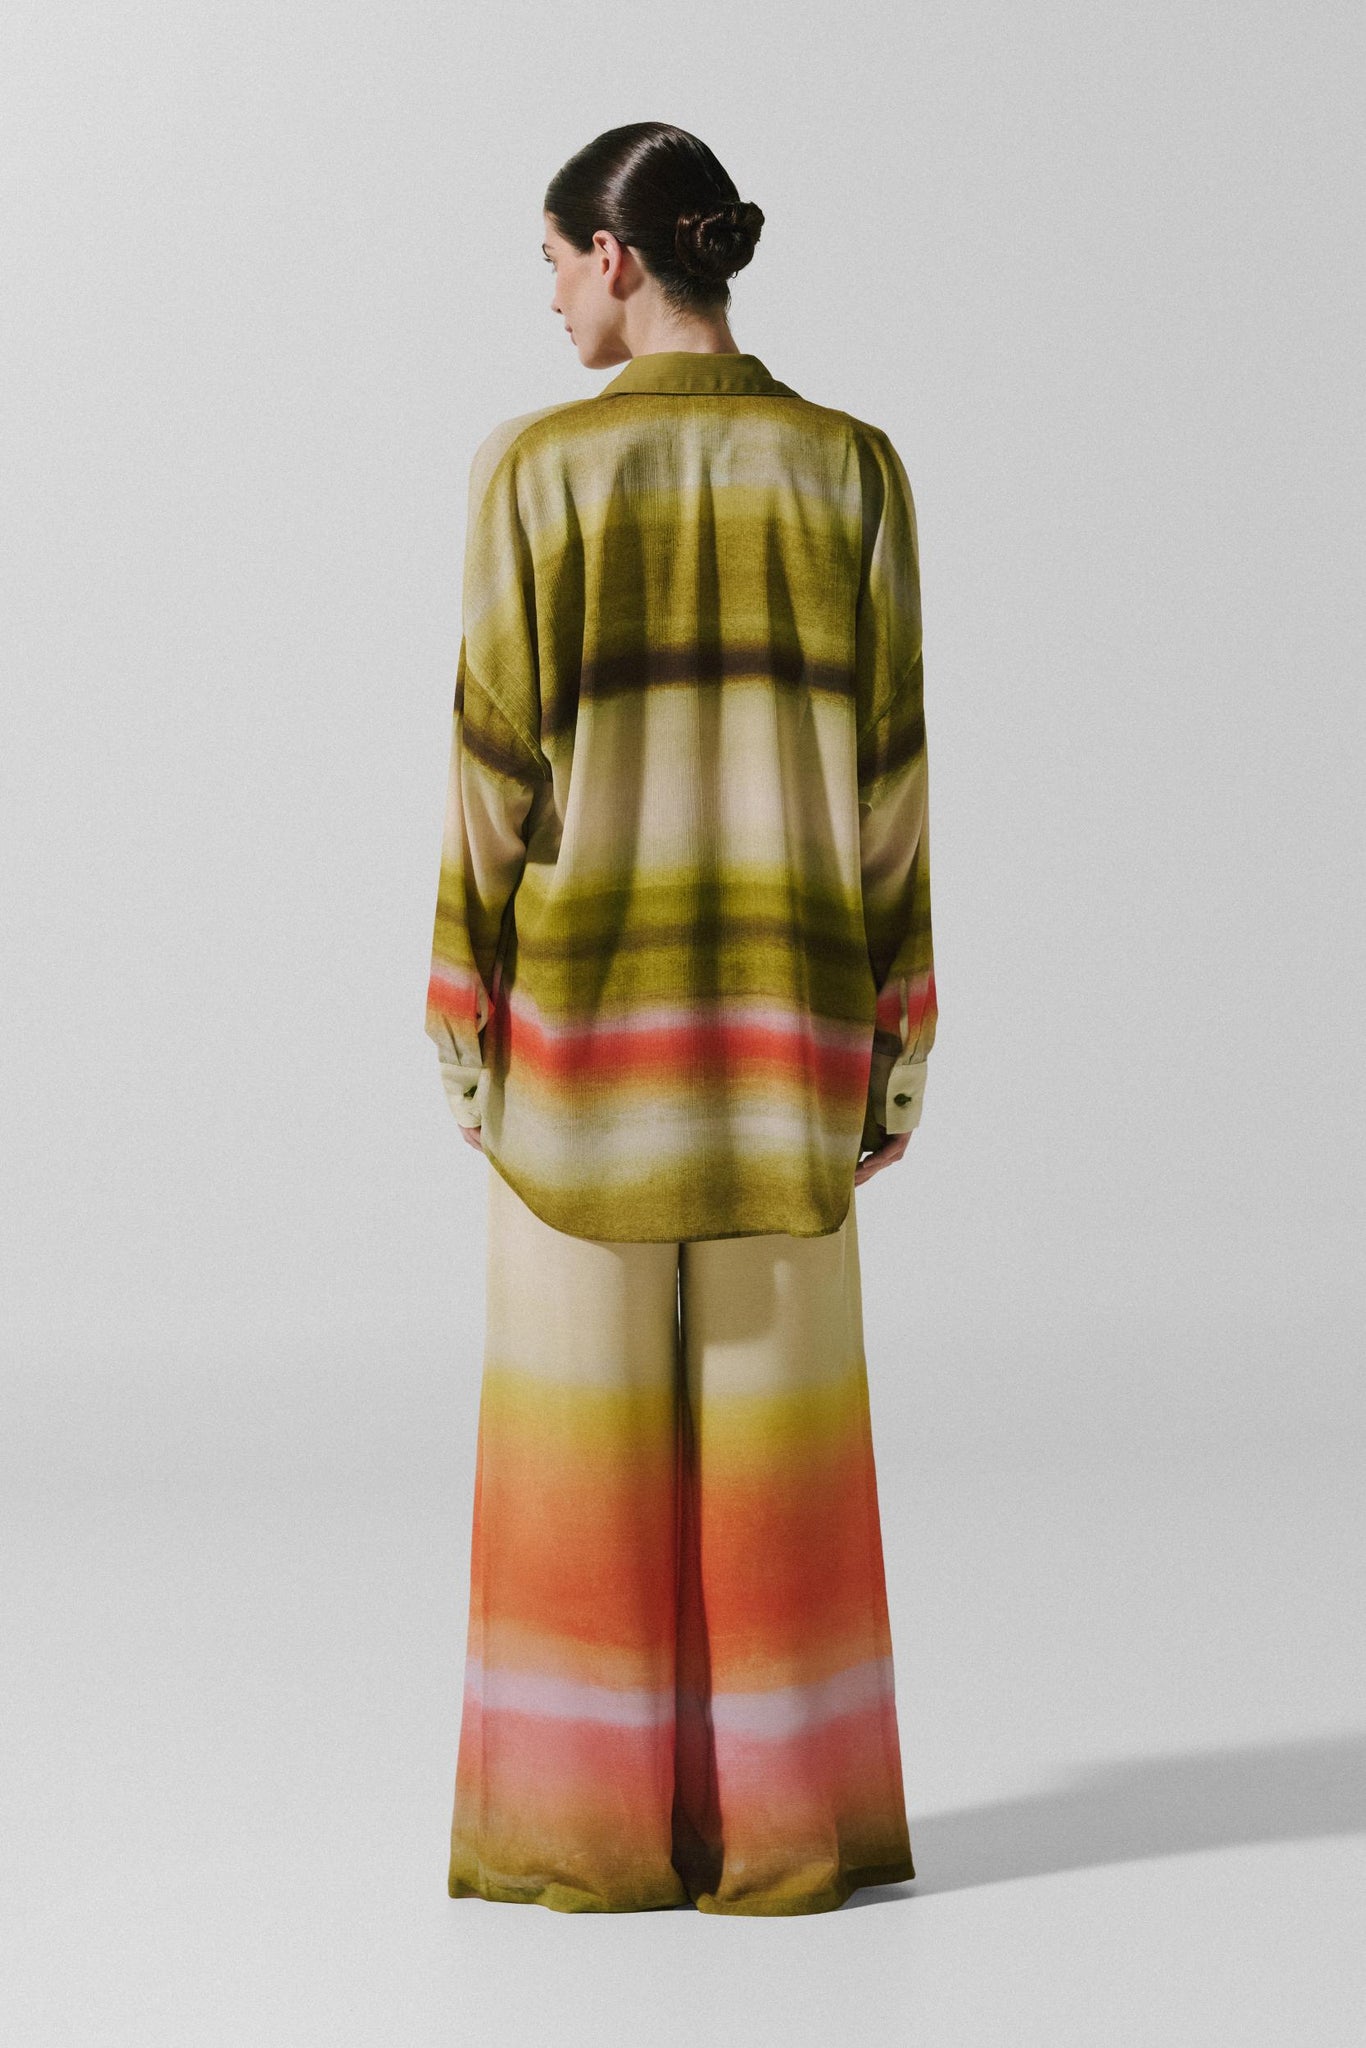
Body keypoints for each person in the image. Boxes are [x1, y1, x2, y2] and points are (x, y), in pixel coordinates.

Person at [423, 121, 937, 1915]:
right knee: (778, 1466)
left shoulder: (534, 471)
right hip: (789, 1049)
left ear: (618, 257)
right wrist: (895, 1041)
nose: (552, 299)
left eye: (553, 262)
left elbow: (491, 773)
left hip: (581, 1045)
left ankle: (589, 1836)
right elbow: (890, 784)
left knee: (574, 1465)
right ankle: (784, 1834)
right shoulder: (851, 469)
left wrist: (459, 1012)